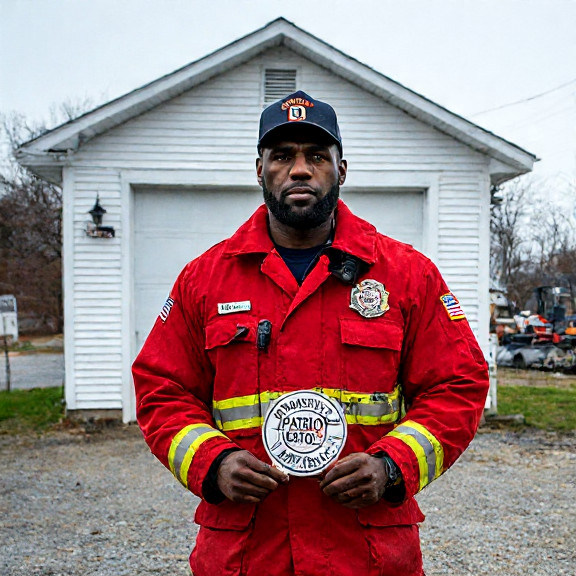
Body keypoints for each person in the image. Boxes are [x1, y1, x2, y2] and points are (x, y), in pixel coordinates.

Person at [132, 90, 489, 576]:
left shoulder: (407, 275)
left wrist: (391, 466)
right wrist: (212, 463)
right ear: (259, 170)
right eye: (282, 156)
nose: (300, 170)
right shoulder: (205, 279)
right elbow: (161, 388)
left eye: (317, 156)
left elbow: (458, 384)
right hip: (246, 553)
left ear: (341, 170)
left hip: (366, 553)